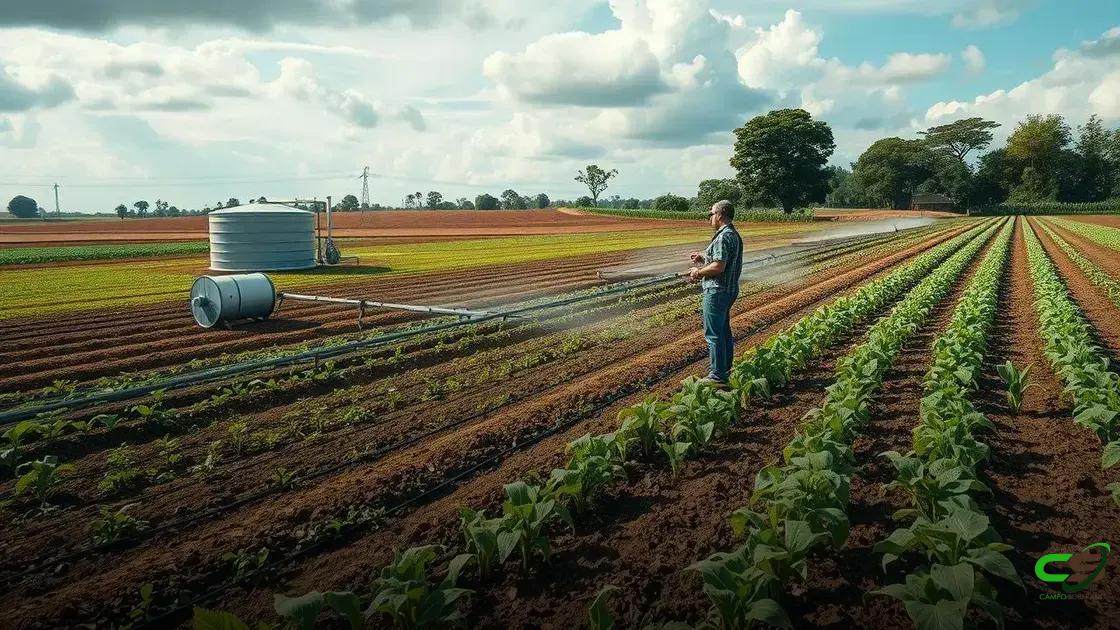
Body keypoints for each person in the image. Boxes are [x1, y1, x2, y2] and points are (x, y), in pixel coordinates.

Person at [688, 199, 743, 387]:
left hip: (717, 290)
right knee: (723, 331)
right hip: (729, 290)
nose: (710, 218)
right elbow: (721, 259)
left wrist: (698, 272)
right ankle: (726, 369)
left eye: (711, 214)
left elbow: (719, 266)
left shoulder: (722, 236)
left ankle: (718, 375)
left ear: (720, 214)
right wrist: (703, 258)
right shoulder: (732, 234)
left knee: (713, 334)